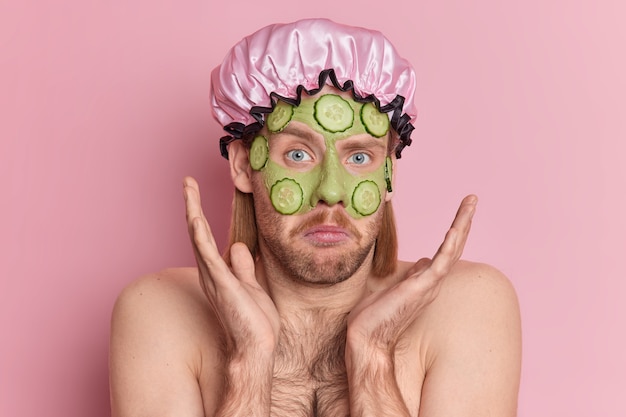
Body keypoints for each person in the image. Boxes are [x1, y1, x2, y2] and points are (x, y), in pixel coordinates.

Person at [109, 18, 521, 417]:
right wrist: (250, 364)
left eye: (359, 157)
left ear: (389, 172)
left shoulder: (466, 305)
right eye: (298, 154)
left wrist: (373, 358)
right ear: (241, 166)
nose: (331, 192)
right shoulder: (160, 313)